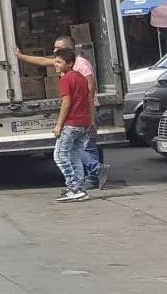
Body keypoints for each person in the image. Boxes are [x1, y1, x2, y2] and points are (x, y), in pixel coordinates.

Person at [20, 35, 104, 187]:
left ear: (68, 51)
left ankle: (93, 173)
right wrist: (21, 56)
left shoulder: (79, 67)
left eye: (57, 48)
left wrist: (88, 116)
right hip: (80, 114)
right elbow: (43, 61)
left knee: (76, 149)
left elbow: (89, 90)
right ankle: (88, 179)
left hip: (83, 113)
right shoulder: (65, 65)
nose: (54, 52)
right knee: (79, 147)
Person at [53, 49, 96, 202]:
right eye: (55, 62)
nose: (55, 65)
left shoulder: (66, 79)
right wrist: (91, 121)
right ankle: (80, 188)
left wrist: (59, 125)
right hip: (83, 124)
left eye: (59, 62)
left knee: (59, 156)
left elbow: (66, 103)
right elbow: (89, 99)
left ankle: (73, 187)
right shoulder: (81, 78)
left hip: (71, 124)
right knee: (75, 156)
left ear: (70, 63)